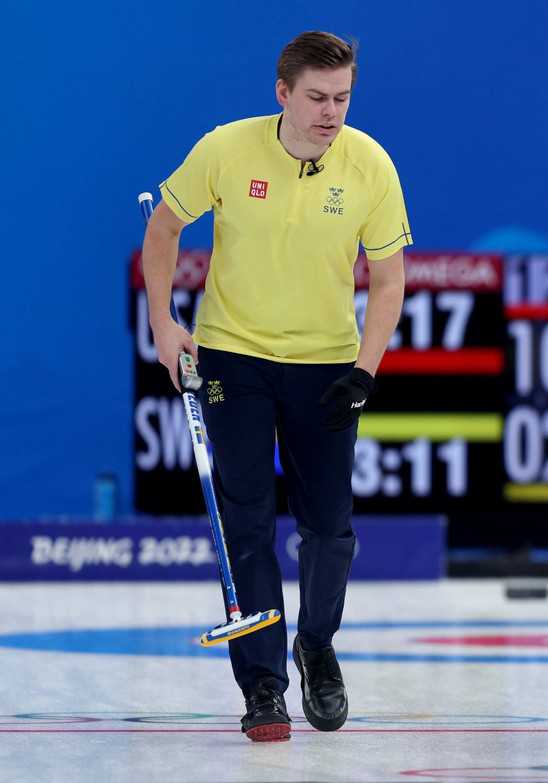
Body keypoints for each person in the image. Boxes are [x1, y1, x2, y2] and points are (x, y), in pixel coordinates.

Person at [141, 31, 411, 741]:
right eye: (317, 98)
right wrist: (164, 323)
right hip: (233, 356)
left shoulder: (370, 164)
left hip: (326, 365)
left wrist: (365, 368)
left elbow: (389, 279)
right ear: (282, 93)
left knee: (330, 528)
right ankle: (262, 683)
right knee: (249, 521)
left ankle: (315, 647)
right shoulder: (226, 149)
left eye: (343, 98)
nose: (331, 113)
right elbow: (163, 228)